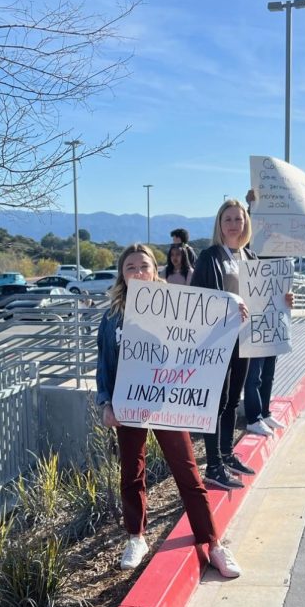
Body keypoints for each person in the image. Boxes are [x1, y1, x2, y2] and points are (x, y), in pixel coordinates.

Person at [95, 244, 241, 577]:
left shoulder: (174, 306)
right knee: (131, 473)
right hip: (130, 402)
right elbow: (103, 364)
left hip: (169, 403)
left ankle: (214, 544)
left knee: (188, 473)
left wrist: (233, 311)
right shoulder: (112, 315)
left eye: (143, 265)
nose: (137, 272)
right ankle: (136, 536)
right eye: (130, 266)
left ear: (154, 270)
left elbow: (205, 335)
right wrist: (105, 402)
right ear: (122, 273)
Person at [189, 199, 258, 489]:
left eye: (238, 219)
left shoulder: (250, 257)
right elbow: (199, 297)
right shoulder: (210, 256)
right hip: (219, 340)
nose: (233, 224)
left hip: (244, 339)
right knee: (216, 402)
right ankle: (213, 464)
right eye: (227, 219)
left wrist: (283, 300)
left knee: (232, 400)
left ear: (245, 224)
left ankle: (227, 454)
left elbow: (262, 297)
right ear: (219, 223)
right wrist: (228, 301)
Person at [243, 188, 287, 436]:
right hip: (255, 316)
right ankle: (253, 416)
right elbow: (247, 234)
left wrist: (303, 205)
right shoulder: (252, 249)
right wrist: (252, 207)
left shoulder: (280, 248)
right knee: (255, 372)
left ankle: (265, 412)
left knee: (269, 369)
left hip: (275, 313)